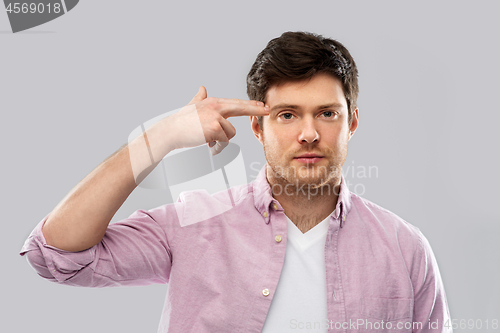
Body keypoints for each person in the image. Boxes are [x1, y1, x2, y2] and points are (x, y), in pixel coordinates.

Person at [20, 31, 452, 333]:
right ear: (258, 128)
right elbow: (57, 254)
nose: (308, 133)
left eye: (327, 113)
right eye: (287, 115)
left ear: (352, 122)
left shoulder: (405, 248)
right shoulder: (194, 224)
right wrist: (163, 136)